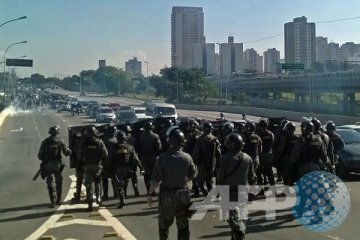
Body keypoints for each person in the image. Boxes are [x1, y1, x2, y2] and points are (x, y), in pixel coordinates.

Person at [147, 126, 197, 240]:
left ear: (169, 141)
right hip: (183, 194)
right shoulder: (187, 157)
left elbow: (155, 179)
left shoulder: (163, 158)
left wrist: (150, 194)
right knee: (183, 225)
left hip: (166, 195)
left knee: (164, 225)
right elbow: (193, 174)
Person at [217, 132, 255, 240]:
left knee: (234, 221)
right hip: (243, 193)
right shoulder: (248, 158)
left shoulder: (225, 158)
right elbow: (252, 177)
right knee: (241, 218)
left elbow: (220, 177)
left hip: (229, 193)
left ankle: (240, 234)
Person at [38, 126, 71, 208]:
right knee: (59, 182)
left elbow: (39, 156)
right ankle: (58, 200)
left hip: (47, 166)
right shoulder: (60, 142)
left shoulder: (45, 142)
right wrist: (70, 151)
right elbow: (66, 153)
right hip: (58, 166)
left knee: (50, 183)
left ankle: (52, 201)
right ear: (58, 133)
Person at [111, 130, 145, 208]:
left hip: (118, 169)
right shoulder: (130, 147)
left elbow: (111, 158)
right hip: (128, 169)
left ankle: (122, 199)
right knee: (125, 183)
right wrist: (141, 168)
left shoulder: (114, 147)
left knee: (119, 185)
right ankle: (124, 195)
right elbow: (135, 159)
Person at [81, 125, 108, 211]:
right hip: (97, 166)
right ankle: (99, 198)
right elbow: (105, 154)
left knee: (89, 185)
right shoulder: (99, 142)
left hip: (88, 166)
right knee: (98, 182)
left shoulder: (84, 142)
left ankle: (90, 203)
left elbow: (80, 154)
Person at [192, 121, 221, 197]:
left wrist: (194, 160)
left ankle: (206, 193)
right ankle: (211, 192)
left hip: (201, 163)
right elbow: (219, 153)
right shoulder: (215, 139)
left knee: (200, 181)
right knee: (210, 180)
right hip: (212, 163)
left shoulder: (200, 139)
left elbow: (196, 152)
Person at [137, 121, 162, 192]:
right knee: (153, 175)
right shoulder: (155, 136)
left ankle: (149, 189)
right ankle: (152, 189)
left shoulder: (140, 136)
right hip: (153, 157)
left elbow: (137, 147)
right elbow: (159, 147)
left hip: (143, 157)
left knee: (146, 175)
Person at [256, 118, 275, 186]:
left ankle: (261, 190)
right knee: (269, 172)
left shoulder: (257, 134)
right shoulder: (271, 134)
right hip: (268, 155)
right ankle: (273, 188)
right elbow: (272, 144)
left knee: (259, 172)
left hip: (261, 155)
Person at [101, 125, 118, 200]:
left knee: (105, 179)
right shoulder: (117, 140)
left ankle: (105, 195)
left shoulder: (103, 140)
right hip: (114, 163)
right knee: (114, 178)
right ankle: (116, 193)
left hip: (105, 162)